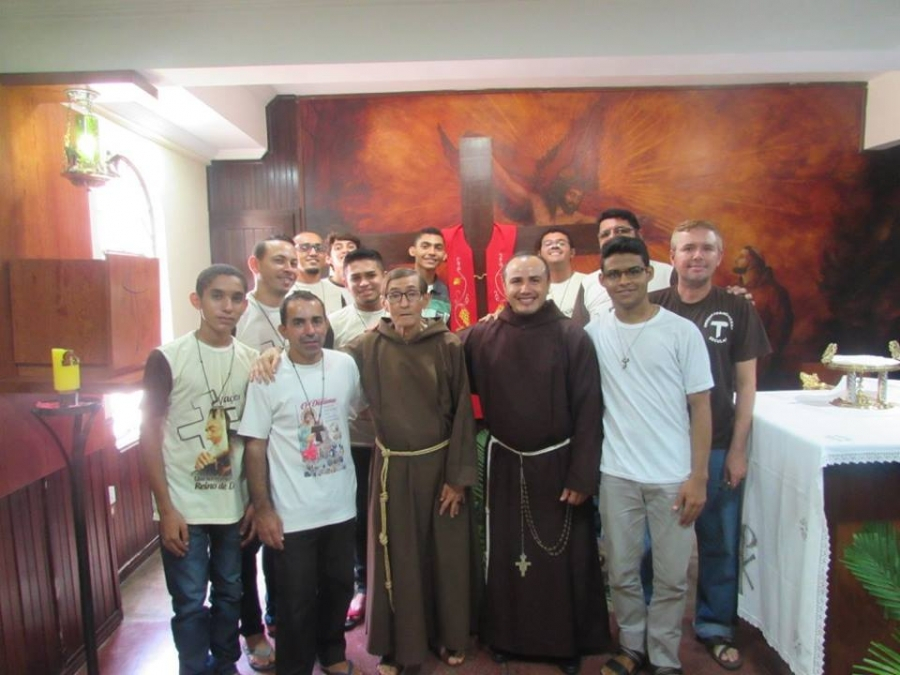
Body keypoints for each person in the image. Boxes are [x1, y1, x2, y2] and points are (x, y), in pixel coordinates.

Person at [462, 253, 610, 674]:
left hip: (559, 466)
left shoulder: (571, 336)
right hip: (506, 464)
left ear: (548, 284)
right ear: (502, 286)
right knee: (508, 557)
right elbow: (439, 357)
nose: (525, 289)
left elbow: (589, 408)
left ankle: (565, 643)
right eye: (516, 281)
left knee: (563, 561)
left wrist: (582, 473)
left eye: (534, 280)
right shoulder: (483, 335)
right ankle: (506, 637)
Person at [584, 236, 712, 675]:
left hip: (672, 476)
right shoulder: (594, 333)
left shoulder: (681, 332)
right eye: (614, 274)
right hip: (617, 474)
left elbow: (701, 406)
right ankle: (631, 647)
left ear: (649, 273)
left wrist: (698, 477)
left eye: (632, 271)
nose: (624, 281)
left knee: (671, 577)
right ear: (602, 280)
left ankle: (664, 656)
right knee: (621, 571)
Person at [343, 268, 478, 675]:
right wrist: (273, 356)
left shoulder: (447, 344)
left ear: (425, 299)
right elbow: (319, 362)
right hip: (392, 468)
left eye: (411, 294)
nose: (403, 302)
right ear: (385, 302)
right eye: (395, 295)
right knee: (395, 555)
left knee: (445, 556)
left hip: (440, 467)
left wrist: (457, 478)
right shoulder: (367, 345)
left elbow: (463, 413)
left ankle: (448, 635)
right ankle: (396, 643)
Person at [649, 221, 770, 671]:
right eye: (687, 249)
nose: (696, 256)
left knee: (718, 541)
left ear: (719, 257)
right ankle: (647, 629)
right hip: (660, 446)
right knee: (649, 545)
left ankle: (715, 626)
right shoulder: (653, 306)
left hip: (717, 443)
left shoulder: (736, 309)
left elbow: (746, 384)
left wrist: (738, 449)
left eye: (705, 249)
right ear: (672, 257)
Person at [140, 264, 258, 675]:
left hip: (233, 504)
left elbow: (256, 438)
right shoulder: (168, 358)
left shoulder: (252, 361)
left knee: (230, 592)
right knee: (190, 600)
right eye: (217, 296)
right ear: (198, 300)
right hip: (183, 504)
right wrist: (165, 508)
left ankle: (225, 664)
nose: (227, 306)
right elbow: (150, 433)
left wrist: (255, 501)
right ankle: (192, 667)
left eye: (237, 298)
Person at [240, 290, 365, 675]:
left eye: (316, 321)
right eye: (298, 322)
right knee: (295, 601)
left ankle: (332, 654)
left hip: (340, 506)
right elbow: (255, 445)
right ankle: (294, 666)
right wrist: (263, 509)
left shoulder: (344, 365)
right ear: (283, 330)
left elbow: (355, 411)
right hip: (292, 513)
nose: (309, 330)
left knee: (339, 587)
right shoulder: (267, 375)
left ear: (327, 324)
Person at [235, 235, 299, 668]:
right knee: (245, 545)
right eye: (279, 260)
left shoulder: (299, 310)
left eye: (293, 261)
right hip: (243, 447)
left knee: (283, 542)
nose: (289, 267)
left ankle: (278, 618)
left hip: (287, 450)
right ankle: (252, 630)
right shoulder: (239, 314)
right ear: (255, 264)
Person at [326, 248, 387, 630]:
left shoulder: (400, 315)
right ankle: (362, 586)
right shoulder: (334, 324)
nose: (364, 283)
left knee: (392, 516)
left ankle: (393, 586)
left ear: (384, 276)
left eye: (370, 275)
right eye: (356, 277)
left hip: (396, 441)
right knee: (358, 517)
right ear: (345, 282)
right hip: (352, 440)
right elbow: (323, 375)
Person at [573, 208, 675, 325]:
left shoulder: (668, 273)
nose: (612, 237)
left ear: (639, 235)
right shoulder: (588, 282)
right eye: (605, 234)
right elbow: (578, 331)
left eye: (621, 231)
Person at [536, 226, 586, 317]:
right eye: (548, 244)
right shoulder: (534, 287)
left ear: (572, 252)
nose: (554, 246)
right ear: (539, 255)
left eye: (561, 243)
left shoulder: (588, 282)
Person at [293, 231, 346, 313]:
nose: (313, 253)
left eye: (319, 248)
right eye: (305, 248)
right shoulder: (283, 292)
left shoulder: (336, 291)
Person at [408, 227, 451, 323]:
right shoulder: (398, 287)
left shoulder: (448, 295)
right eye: (425, 246)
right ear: (412, 251)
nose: (432, 252)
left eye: (438, 248)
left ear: (445, 255)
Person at [325, 232, 361, 307]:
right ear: (328, 259)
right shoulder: (321, 288)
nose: (345, 250)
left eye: (351, 247)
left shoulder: (366, 286)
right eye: (338, 248)